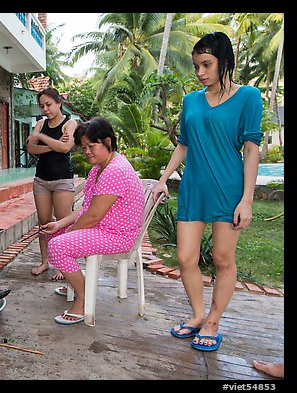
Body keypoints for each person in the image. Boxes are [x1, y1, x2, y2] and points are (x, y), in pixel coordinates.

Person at [152, 32, 263, 351]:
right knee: (185, 257)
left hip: (229, 189)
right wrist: (163, 178)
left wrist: (247, 199)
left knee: (222, 258)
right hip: (194, 189)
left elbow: (251, 149)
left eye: (207, 64)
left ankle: (214, 320)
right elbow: (183, 144)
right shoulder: (191, 100)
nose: (200, 72)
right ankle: (198, 315)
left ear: (224, 62)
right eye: (196, 65)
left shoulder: (249, 97)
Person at [42, 117, 145, 324]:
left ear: (107, 141)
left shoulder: (115, 170)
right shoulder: (99, 168)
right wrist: (61, 224)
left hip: (118, 236)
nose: (87, 151)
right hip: (105, 228)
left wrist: (70, 233)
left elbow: (93, 216)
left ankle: (82, 298)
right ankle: (77, 283)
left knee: (59, 246)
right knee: (56, 233)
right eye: (83, 147)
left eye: (92, 145)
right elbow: (85, 208)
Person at [27, 87, 78, 281]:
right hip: (41, 179)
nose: (45, 109)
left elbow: (65, 147)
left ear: (59, 103)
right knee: (44, 224)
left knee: (62, 224)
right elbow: (31, 148)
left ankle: (62, 264)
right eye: (42, 106)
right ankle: (45, 261)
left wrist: (41, 139)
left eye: (49, 105)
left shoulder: (70, 123)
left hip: (62, 179)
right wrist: (50, 144)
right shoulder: (41, 124)